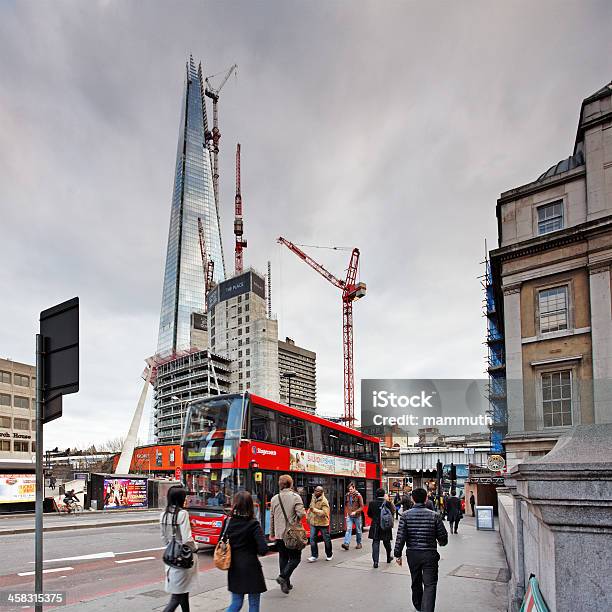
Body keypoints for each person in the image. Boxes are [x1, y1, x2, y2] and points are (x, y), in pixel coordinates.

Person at [394, 487, 448, 612]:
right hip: (430, 553)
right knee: (430, 584)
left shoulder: (405, 516)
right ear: (426, 498)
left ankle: (418, 605)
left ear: (413, 499)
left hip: (413, 554)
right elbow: (443, 539)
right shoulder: (435, 516)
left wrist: (397, 554)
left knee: (416, 580)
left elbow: (400, 537)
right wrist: (440, 542)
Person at [225, 491, 268, 612]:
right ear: (250, 505)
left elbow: (221, 542)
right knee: (253, 604)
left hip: (234, 567)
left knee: (236, 603)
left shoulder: (228, 522)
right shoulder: (253, 524)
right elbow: (263, 549)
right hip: (251, 567)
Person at [160, 485, 198, 612]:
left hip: (171, 558)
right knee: (176, 598)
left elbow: (164, 538)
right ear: (180, 499)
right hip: (183, 560)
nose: (186, 499)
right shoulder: (182, 514)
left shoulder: (164, 515)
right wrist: (195, 547)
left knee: (183, 593)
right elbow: (187, 539)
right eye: (185, 497)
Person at [269, 474, 305, 594]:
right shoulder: (296, 497)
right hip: (291, 534)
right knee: (295, 558)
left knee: (283, 557)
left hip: (279, 535)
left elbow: (272, 517)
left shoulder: (274, 498)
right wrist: (295, 520)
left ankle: (286, 584)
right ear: (291, 484)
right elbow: (301, 513)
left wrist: (272, 533)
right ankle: (283, 577)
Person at [367, 488, 395, 568]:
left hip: (375, 525)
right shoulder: (387, 503)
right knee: (387, 542)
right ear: (383, 494)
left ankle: (375, 562)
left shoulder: (372, 503)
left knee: (375, 542)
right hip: (385, 525)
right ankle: (388, 557)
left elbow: (369, 514)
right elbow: (393, 512)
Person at [307, 486, 333, 562]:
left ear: (321, 492)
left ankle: (329, 554)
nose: (315, 492)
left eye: (317, 491)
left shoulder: (324, 501)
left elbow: (325, 513)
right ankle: (314, 555)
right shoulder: (313, 497)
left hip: (323, 524)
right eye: (315, 490)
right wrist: (308, 516)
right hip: (313, 522)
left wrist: (314, 510)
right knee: (312, 539)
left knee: (326, 539)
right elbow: (310, 507)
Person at [341, 481, 364, 550]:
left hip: (357, 516)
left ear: (354, 488)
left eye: (351, 489)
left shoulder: (359, 496)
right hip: (349, 516)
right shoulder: (347, 495)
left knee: (358, 530)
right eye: (349, 490)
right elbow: (346, 505)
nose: (350, 491)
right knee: (348, 529)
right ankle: (346, 544)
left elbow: (362, 507)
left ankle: (359, 543)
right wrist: (347, 512)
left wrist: (355, 512)